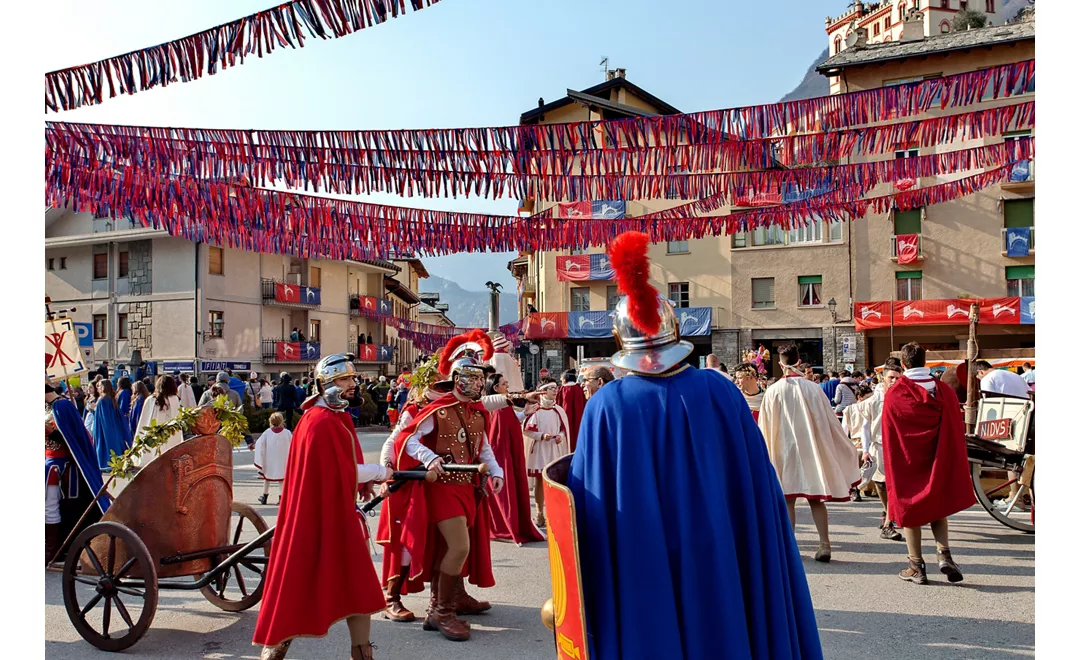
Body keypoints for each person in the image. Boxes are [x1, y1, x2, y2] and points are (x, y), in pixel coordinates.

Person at [564, 231, 821, 660]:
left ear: (618, 341)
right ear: (675, 331)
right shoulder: (721, 391)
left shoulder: (607, 404)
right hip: (720, 548)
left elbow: (587, 507)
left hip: (641, 556)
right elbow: (756, 489)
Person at [254, 355, 390, 660]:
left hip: (336, 513)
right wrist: (381, 473)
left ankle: (363, 653)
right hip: (314, 518)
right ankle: (277, 645)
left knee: (358, 584)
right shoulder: (319, 422)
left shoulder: (334, 416)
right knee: (301, 579)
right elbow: (342, 471)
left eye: (353, 379)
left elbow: (343, 468)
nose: (353, 385)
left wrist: (366, 479)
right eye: (345, 380)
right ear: (325, 384)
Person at [385, 331, 506, 642]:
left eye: (480, 378)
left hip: (468, 487)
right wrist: (428, 458)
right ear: (456, 378)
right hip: (442, 489)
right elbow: (406, 438)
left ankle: (439, 608)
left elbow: (484, 449)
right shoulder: (437, 408)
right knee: (459, 547)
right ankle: (442, 612)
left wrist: (497, 473)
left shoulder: (474, 411)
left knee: (454, 549)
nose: (478, 383)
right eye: (471, 377)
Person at [882, 343, 975, 585]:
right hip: (938, 456)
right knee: (937, 505)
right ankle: (944, 555)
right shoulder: (944, 390)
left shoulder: (895, 393)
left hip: (908, 460)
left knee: (910, 508)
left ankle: (916, 566)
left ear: (903, 364)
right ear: (926, 362)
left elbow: (891, 434)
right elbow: (955, 427)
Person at [758, 343, 860, 562]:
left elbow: (765, 427)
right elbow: (829, 422)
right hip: (811, 450)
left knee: (787, 500)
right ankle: (825, 543)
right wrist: (840, 445)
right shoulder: (813, 388)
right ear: (799, 362)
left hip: (783, 451)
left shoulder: (773, 391)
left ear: (780, 363)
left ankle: (791, 546)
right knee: (816, 499)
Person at [46, 383, 109, 565]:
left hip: (61, 466)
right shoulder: (50, 407)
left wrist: (50, 432)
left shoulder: (62, 406)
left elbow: (71, 438)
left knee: (51, 506)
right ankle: (54, 546)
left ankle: (53, 549)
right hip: (48, 462)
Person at [483, 373, 544, 545]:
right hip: (501, 456)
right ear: (496, 388)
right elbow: (496, 435)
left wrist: (524, 413)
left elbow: (510, 423)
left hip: (508, 453)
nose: (507, 386)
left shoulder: (503, 405)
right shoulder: (494, 406)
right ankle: (505, 525)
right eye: (504, 384)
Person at [860, 360, 905, 541]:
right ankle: (887, 513)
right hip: (879, 446)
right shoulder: (873, 401)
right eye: (891, 378)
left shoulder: (904, 397)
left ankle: (888, 523)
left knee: (894, 485)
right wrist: (865, 450)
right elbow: (865, 426)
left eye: (897, 378)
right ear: (883, 378)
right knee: (881, 484)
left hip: (899, 446)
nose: (894, 381)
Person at [523, 381, 571, 528]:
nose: (555, 391)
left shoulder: (559, 410)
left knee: (554, 482)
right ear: (543, 391)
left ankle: (554, 513)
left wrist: (560, 437)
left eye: (555, 389)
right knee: (539, 481)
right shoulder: (536, 411)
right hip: (540, 450)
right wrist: (542, 436)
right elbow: (527, 430)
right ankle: (539, 512)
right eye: (551, 389)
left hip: (554, 450)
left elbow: (563, 429)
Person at [134, 375, 185, 462]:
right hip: (171, 434)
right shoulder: (175, 399)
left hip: (153, 433)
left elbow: (144, 420)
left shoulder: (151, 399)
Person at [255, 412, 292, 505]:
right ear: (282, 421)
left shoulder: (267, 432)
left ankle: (264, 496)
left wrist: (253, 446)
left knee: (267, 478)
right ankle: (281, 498)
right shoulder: (287, 433)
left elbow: (260, 444)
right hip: (283, 459)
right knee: (281, 479)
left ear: (270, 422)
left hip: (269, 460)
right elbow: (293, 444)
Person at [92, 379, 130, 469]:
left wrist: (93, 409)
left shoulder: (103, 400)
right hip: (113, 427)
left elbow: (104, 418)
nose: (97, 389)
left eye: (99, 386)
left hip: (104, 428)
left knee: (106, 445)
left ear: (103, 387)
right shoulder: (111, 398)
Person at [554, 369, 586, 451]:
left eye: (561, 378)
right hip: (580, 419)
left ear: (565, 379)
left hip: (565, 419)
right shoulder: (580, 389)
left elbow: (557, 405)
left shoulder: (561, 390)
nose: (561, 380)